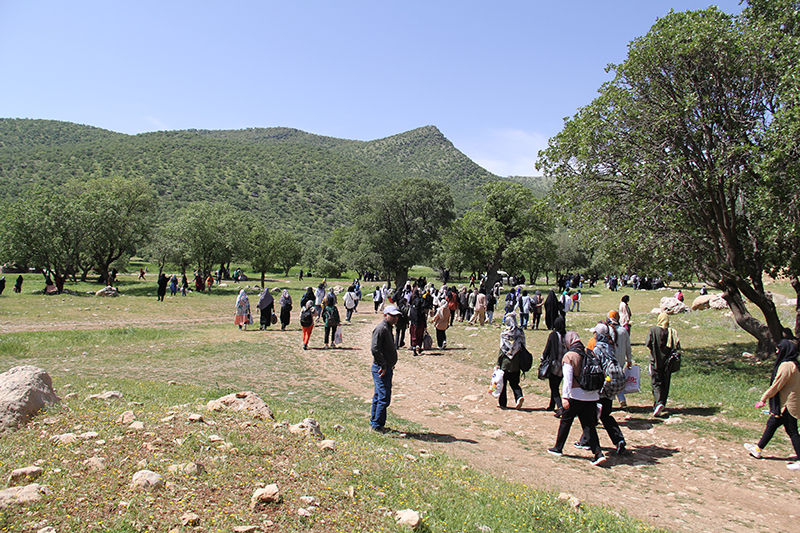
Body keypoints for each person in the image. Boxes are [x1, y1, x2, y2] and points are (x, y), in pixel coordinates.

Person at [547, 331, 607, 466]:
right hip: (591, 395)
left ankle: (558, 448)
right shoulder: (589, 352)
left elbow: (568, 379)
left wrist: (565, 397)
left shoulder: (570, 356)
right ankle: (598, 453)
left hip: (575, 395)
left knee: (566, 421)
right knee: (588, 425)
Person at [744, 338, 800, 470]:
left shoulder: (787, 366)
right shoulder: (795, 364)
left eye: (778, 349)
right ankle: (757, 449)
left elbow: (777, 385)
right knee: (772, 424)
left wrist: (764, 398)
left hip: (787, 404)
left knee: (792, 430)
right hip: (789, 403)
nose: (776, 351)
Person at [577, 323, 628, 455]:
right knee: (605, 414)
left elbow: (596, 367)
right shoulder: (611, 346)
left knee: (592, 413)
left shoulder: (598, 348)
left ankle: (587, 441)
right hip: (611, 384)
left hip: (602, 385)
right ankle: (619, 440)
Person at [371, 305, 402, 432]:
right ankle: (377, 425)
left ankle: (376, 423)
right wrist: (383, 363)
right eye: (393, 316)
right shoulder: (381, 329)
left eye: (397, 316)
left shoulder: (388, 328)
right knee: (384, 397)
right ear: (385, 315)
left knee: (379, 396)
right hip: (381, 368)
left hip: (386, 367)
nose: (395, 318)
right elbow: (374, 348)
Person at [646, 312, 681, 417]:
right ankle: (662, 403)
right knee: (665, 383)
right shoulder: (672, 332)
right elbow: (677, 347)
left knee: (656, 383)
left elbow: (648, 344)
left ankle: (658, 402)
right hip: (668, 363)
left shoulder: (653, 330)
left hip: (655, 361)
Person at [496, 312, 526, 410]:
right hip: (516, 362)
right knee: (514, 382)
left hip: (505, 363)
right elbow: (523, 347)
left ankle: (503, 403)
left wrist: (498, 363)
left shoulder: (504, 334)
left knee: (503, 383)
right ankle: (519, 397)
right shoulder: (520, 333)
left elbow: (502, 350)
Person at [541, 315, 567, 416]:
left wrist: (543, 358)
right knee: (555, 385)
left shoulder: (553, 335)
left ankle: (560, 407)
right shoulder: (566, 335)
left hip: (554, 364)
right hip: (564, 365)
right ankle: (551, 405)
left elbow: (547, 348)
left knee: (554, 387)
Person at [607, 310, 633, 408]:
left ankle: (610, 399)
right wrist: (629, 359)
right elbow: (628, 346)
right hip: (621, 360)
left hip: (610, 360)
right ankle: (621, 399)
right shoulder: (623, 330)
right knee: (619, 379)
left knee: (610, 380)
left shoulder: (608, 330)